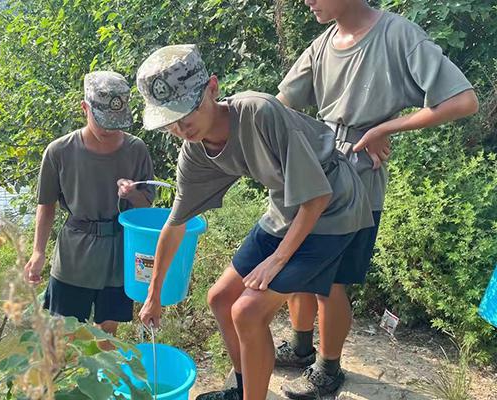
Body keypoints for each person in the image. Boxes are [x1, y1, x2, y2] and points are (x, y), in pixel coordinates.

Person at [136, 44, 376, 400]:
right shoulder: (195, 152)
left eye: (188, 110)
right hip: (287, 206)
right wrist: (153, 295)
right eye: (169, 119)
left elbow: (317, 197)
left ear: (213, 88)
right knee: (220, 298)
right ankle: (245, 387)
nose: (180, 126)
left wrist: (276, 260)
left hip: (332, 208)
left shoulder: (259, 111)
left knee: (247, 311)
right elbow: (176, 223)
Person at [275, 1, 478, 396]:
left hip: (358, 179)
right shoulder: (322, 45)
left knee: (330, 282)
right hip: (315, 170)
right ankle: (300, 347)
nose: (307, 1)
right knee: (295, 262)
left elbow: (462, 100)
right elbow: (280, 104)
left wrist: (387, 126)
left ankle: (328, 371)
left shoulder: (396, 35)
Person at [24, 71, 155, 336]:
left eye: (117, 121)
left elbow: (145, 210)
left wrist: (132, 194)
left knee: (107, 331)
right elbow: (46, 205)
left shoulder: (136, 149)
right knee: (62, 332)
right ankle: (62, 377)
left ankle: (101, 378)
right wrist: (38, 252)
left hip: (119, 253)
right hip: (74, 255)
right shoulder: (59, 151)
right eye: (104, 121)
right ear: (85, 108)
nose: (110, 129)